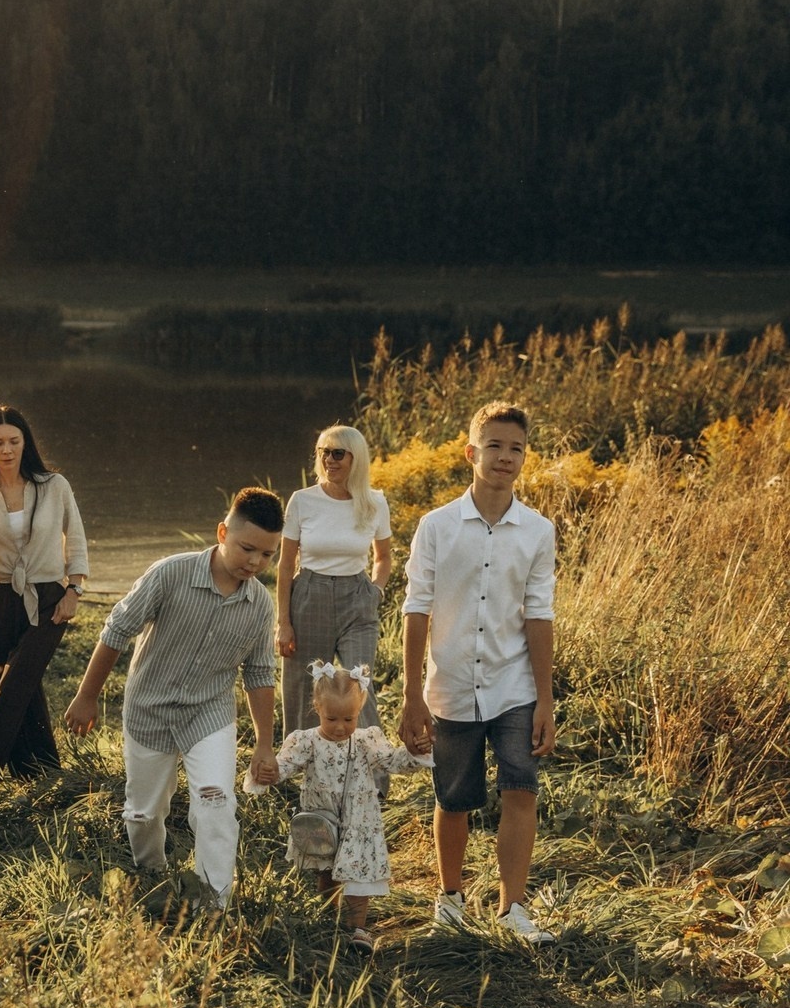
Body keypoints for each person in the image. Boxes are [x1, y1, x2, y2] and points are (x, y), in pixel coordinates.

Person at [64, 487, 284, 912]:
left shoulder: (260, 605)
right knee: (144, 814)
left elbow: (259, 674)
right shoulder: (169, 574)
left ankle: (213, 902)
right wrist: (86, 696)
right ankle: (152, 875)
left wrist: (263, 743)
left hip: (209, 712)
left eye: (267, 555)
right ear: (222, 533)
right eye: (247, 548)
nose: (255, 562)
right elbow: (117, 631)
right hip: (149, 709)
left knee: (217, 801)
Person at [399, 400, 557, 945]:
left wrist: (545, 699)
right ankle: (450, 898)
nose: (505, 457)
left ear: (524, 458)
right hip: (450, 686)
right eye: (494, 446)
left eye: (515, 448)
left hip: (514, 684)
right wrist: (411, 695)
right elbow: (415, 609)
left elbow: (539, 614)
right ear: (472, 452)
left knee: (521, 789)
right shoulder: (436, 527)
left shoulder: (538, 530)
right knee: (454, 797)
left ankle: (513, 908)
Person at [247, 661, 433, 952]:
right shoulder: (306, 741)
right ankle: (328, 920)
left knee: (358, 877)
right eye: (332, 718)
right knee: (326, 872)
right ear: (317, 707)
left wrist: (414, 751)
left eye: (349, 719)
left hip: (360, 822)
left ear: (359, 711)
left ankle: (356, 929)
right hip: (322, 821)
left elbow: (391, 761)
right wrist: (270, 772)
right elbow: (286, 765)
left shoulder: (364, 742)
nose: (340, 727)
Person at [0, 405, 87, 816]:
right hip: (2, 600)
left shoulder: (54, 485)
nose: (7, 449)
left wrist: (74, 589)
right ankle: (44, 773)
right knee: (21, 688)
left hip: (50, 597)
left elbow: (77, 537)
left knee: (15, 684)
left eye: (14, 441)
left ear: (25, 443)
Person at [276, 425, 392, 739]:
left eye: (337, 453)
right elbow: (286, 566)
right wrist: (283, 622)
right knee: (303, 688)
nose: (329, 459)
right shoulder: (302, 501)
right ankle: (300, 769)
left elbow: (383, 557)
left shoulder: (375, 502)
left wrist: (375, 591)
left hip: (357, 598)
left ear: (357, 459)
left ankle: (373, 779)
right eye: (323, 452)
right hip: (310, 596)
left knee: (360, 685)